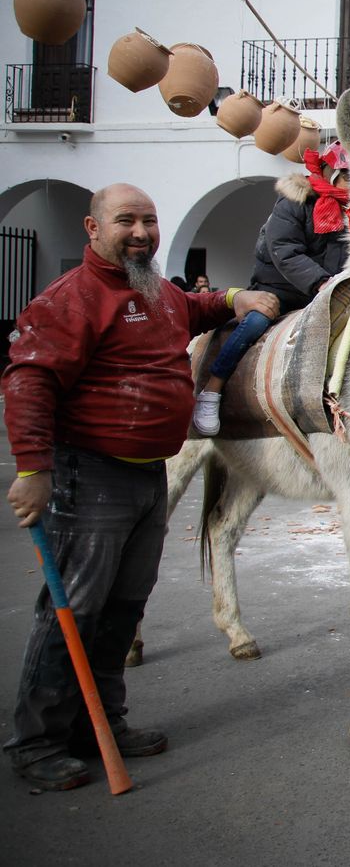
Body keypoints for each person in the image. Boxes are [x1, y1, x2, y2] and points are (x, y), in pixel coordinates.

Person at [3, 184, 278, 791]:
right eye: (125, 220)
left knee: (123, 608)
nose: (141, 232)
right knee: (75, 610)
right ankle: (38, 741)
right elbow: (28, 382)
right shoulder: (71, 298)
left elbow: (195, 308)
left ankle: (101, 722)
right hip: (91, 475)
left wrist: (233, 297)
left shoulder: (154, 291)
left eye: (149, 221)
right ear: (92, 228)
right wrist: (31, 470)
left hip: (148, 472)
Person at [191, 144, 350, 435]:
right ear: (332, 174)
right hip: (279, 289)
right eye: (348, 176)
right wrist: (319, 281)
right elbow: (284, 249)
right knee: (254, 324)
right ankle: (212, 389)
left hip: (325, 293)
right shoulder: (294, 202)